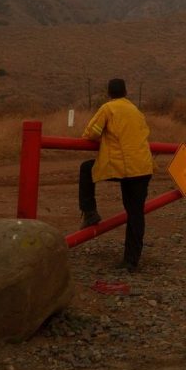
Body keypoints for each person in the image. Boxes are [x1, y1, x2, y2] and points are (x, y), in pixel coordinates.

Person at [78, 78, 154, 272]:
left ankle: (90, 212)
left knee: (86, 169)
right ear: (126, 92)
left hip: (122, 167)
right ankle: (131, 261)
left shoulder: (108, 108)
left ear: (108, 93)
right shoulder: (136, 111)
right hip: (143, 167)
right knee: (136, 214)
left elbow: (90, 134)